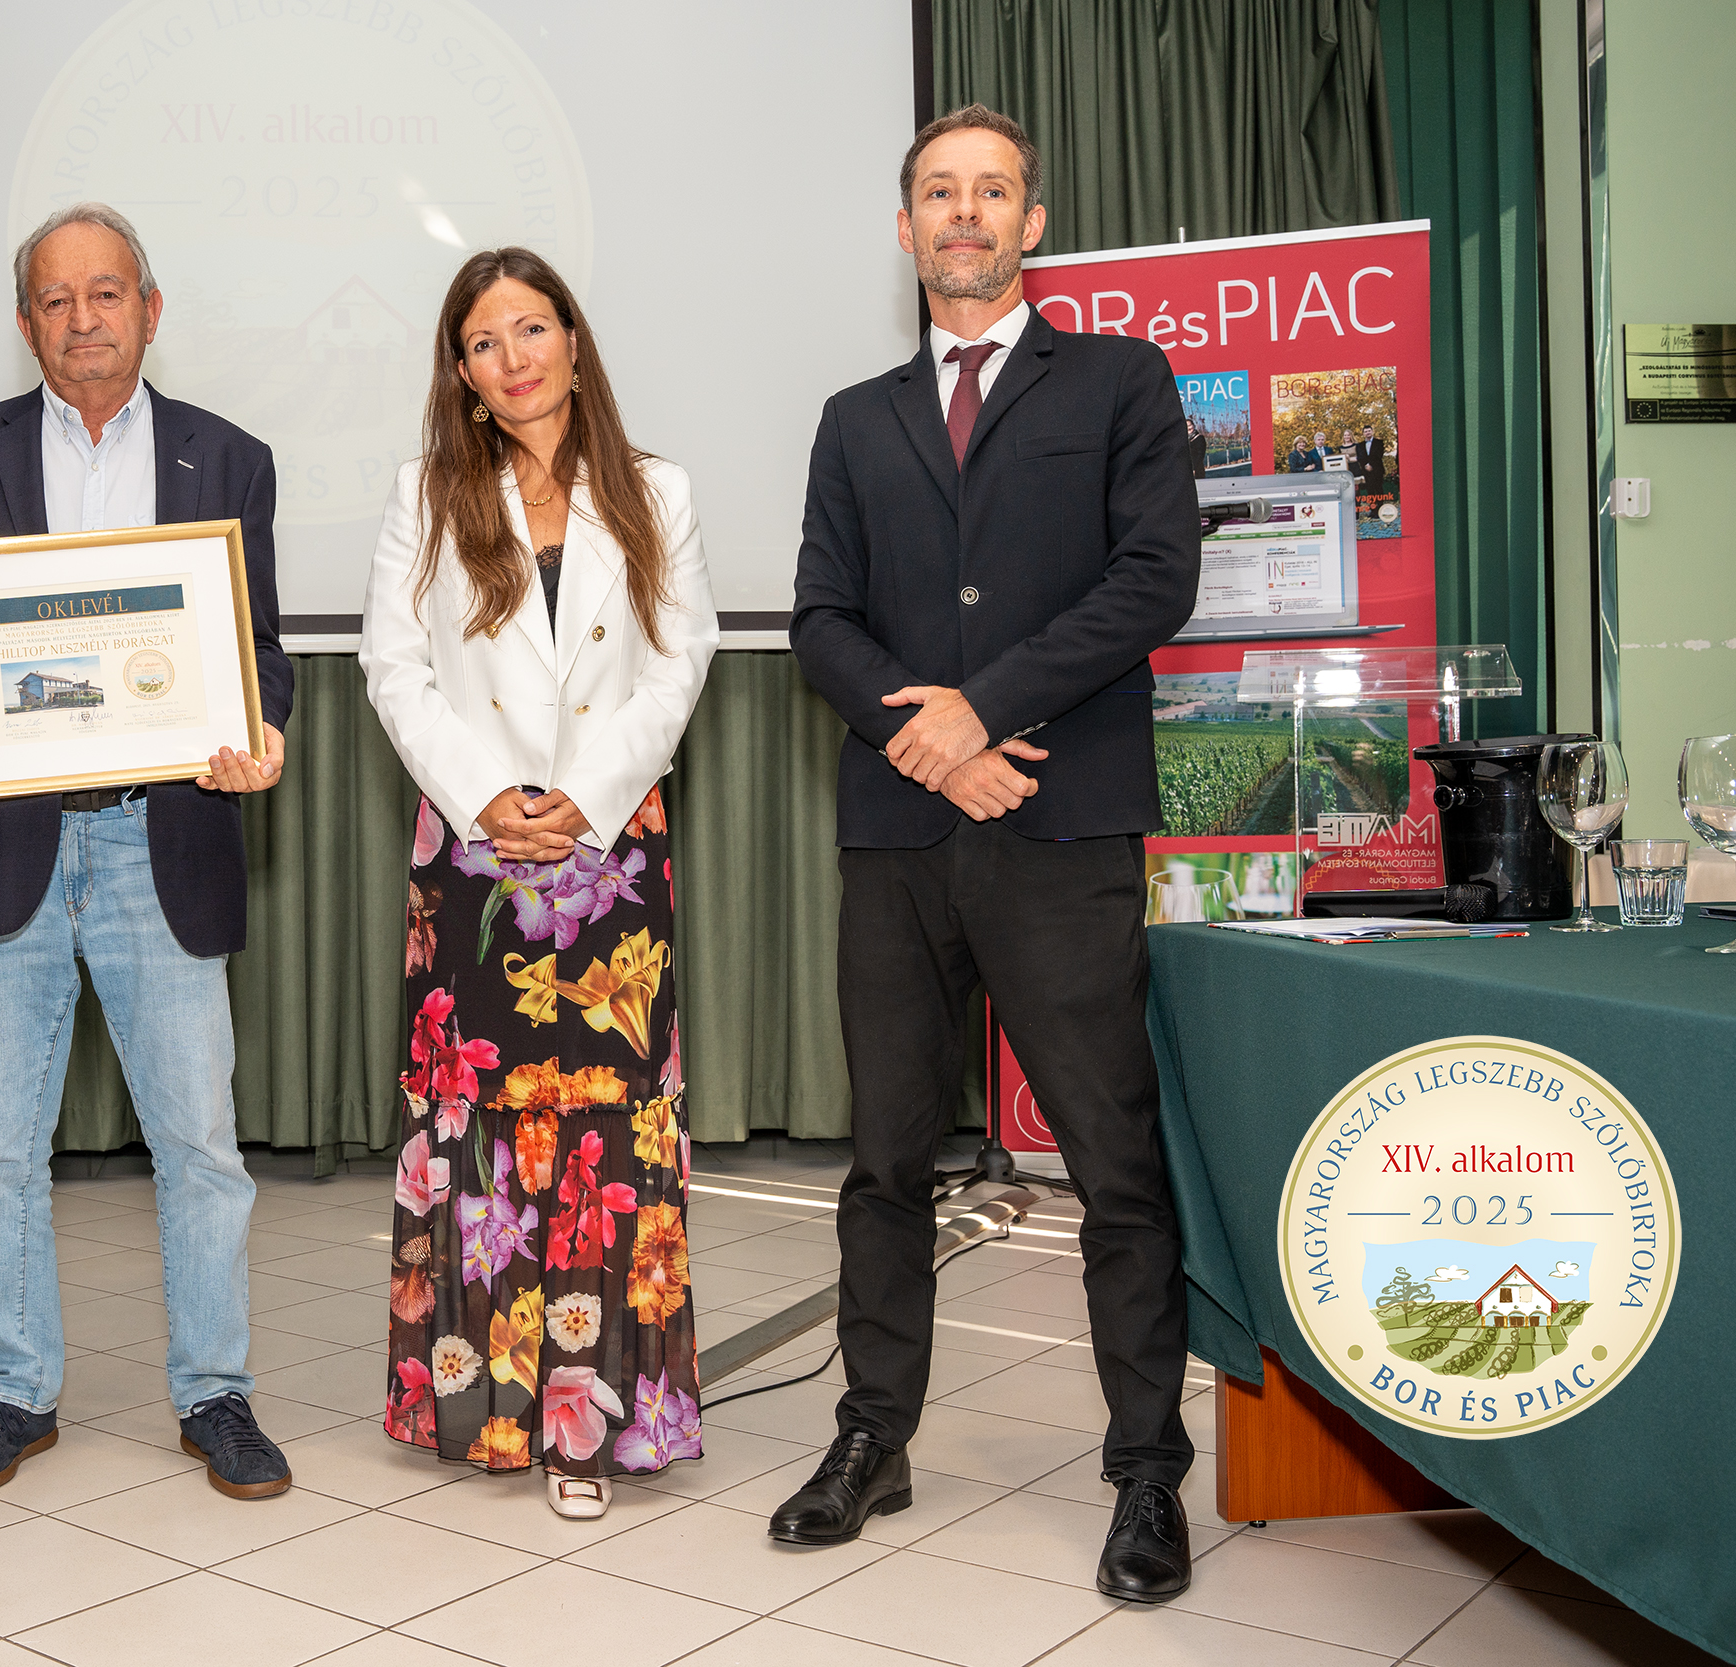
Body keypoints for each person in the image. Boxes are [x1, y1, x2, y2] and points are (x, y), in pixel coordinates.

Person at [779, 105, 1202, 1602]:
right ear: (905, 229)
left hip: (1061, 824)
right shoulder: (854, 416)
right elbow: (818, 615)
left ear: (1032, 221)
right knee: (886, 1159)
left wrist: (985, 707)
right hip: (900, 833)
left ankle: (1146, 1468)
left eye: (992, 191)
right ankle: (871, 1435)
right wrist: (934, 740)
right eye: (939, 193)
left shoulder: (1121, 381)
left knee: (1113, 1162)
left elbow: (1154, 578)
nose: (965, 213)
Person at [0, 203, 295, 1502]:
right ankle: (15, 1388)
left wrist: (263, 726)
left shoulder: (229, 458)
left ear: (149, 310)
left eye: (106, 293)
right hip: (2, 843)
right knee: (0, 1147)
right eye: (55, 299)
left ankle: (215, 1391)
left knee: (201, 1143)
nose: (82, 318)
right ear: (25, 322)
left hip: (161, 836)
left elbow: (259, 648)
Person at [361, 247, 718, 1521]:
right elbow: (392, 667)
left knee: (607, 1135)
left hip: (611, 850)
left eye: (530, 328)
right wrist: (488, 797)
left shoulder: (655, 488)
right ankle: (487, 1409)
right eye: (483, 341)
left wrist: (588, 794)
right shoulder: (425, 494)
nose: (512, 357)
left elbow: (681, 659)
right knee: (484, 1128)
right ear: (461, 373)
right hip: (474, 855)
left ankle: (594, 1425)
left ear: (572, 338)